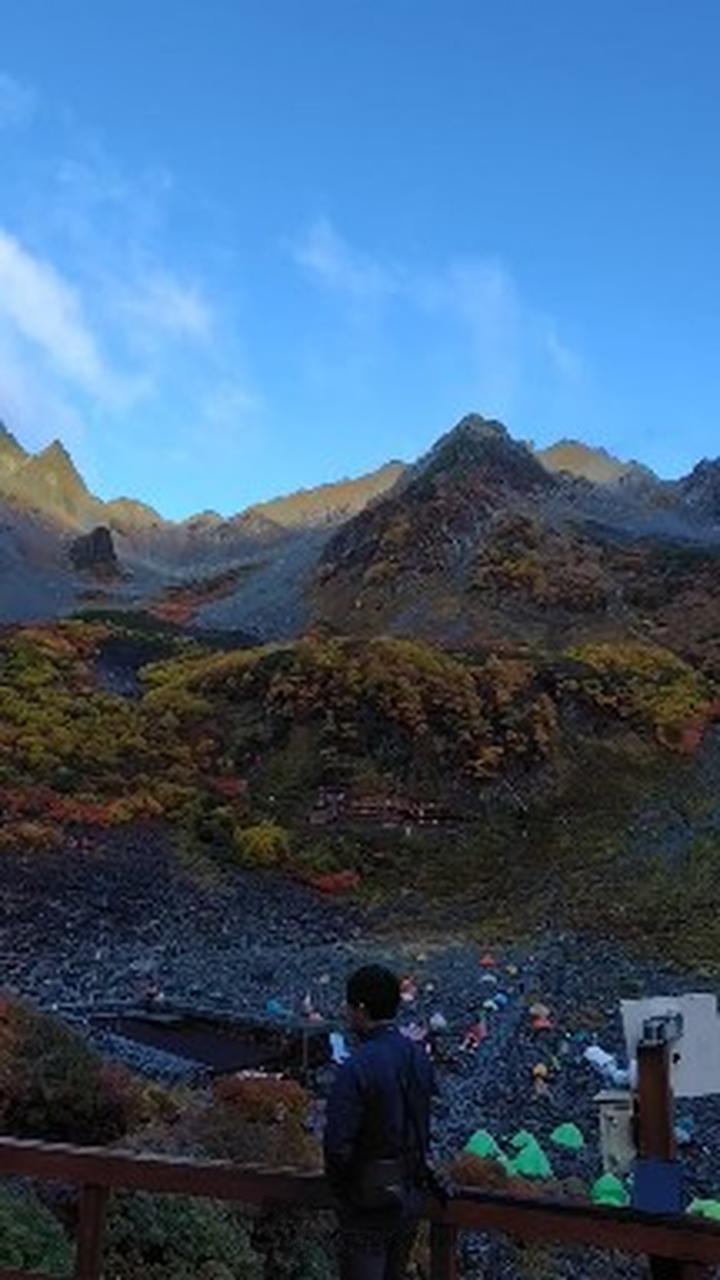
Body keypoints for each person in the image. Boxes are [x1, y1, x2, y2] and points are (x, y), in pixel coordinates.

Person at [324, 964, 436, 1280]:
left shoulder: (357, 1066)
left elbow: (337, 1144)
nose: (346, 1013)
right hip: (410, 1193)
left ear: (360, 1009)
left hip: (369, 1200)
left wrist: (345, 1193)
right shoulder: (418, 1056)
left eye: (348, 1006)